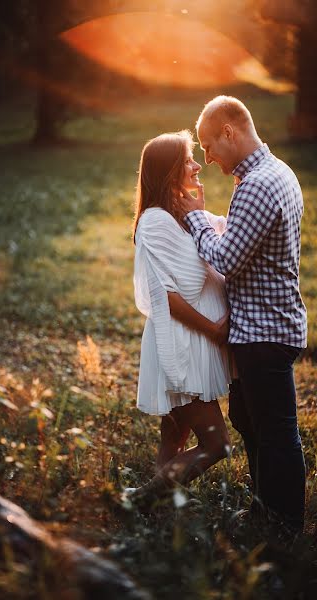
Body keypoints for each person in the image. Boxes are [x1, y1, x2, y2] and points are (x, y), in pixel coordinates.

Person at [180, 96, 307, 533]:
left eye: (208, 145)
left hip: (264, 331)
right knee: (248, 419)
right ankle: (264, 505)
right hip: (263, 325)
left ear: (230, 132)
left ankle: (284, 520)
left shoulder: (257, 184)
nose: (207, 157)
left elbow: (227, 257)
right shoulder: (277, 173)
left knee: (275, 430)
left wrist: (196, 219)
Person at [128, 130, 232, 505]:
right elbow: (170, 296)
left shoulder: (180, 214)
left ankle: (151, 518)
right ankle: (141, 500)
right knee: (217, 445)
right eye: (188, 159)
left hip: (193, 340)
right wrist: (215, 331)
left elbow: (219, 248)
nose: (196, 164)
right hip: (181, 344)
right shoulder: (155, 222)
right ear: (169, 171)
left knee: (173, 437)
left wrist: (200, 214)